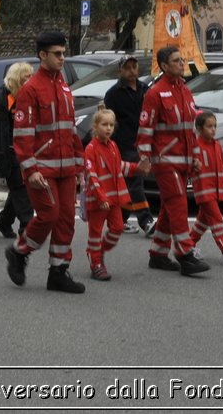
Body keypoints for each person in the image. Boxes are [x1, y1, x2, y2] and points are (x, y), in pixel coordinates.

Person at [5, 31, 86, 294]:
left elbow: (70, 130)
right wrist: (30, 168)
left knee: (66, 220)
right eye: (57, 54)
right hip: (42, 168)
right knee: (49, 215)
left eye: (64, 53)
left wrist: (79, 168)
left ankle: (58, 272)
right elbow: (23, 134)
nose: (63, 58)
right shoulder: (30, 89)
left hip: (65, 168)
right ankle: (19, 251)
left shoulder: (63, 86)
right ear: (43, 55)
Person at [138, 45, 210, 277]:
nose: (182, 63)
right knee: (178, 203)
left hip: (184, 160)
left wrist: (196, 157)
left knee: (170, 208)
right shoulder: (155, 93)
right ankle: (185, 254)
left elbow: (190, 129)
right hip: (165, 161)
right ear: (164, 66)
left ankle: (158, 254)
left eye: (182, 59)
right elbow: (145, 129)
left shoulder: (185, 91)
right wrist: (145, 158)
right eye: (177, 60)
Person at [81, 105, 140, 281]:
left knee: (117, 228)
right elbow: (92, 176)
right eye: (104, 124)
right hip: (98, 200)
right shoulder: (91, 149)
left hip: (113, 198)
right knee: (95, 233)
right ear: (95, 127)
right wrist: (101, 197)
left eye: (111, 125)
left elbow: (119, 167)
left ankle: (97, 252)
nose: (108, 128)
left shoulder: (113, 146)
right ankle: (96, 263)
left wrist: (138, 169)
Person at [102, 54, 155, 235]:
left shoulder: (145, 89)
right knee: (135, 182)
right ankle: (146, 221)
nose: (132, 71)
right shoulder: (113, 93)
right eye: (127, 67)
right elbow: (108, 120)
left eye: (134, 67)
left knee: (127, 184)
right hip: (123, 145)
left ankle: (120, 220)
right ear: (121, 70)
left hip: (143, 142)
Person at [189, 110, 223, 265]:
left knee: (203, 221)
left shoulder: (217, 146)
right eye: (209, 126)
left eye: (215, 126)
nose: (213, 129)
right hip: (204, 191)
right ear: (199, 128)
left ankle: (188, 245)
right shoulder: (196, 147)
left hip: (215, 190)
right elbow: (190, 167)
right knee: (216, 219)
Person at [0, 61, 35, 239]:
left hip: (29, 149)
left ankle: (4, 221)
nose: (31, 79)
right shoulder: (5, 99)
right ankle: (27, 226)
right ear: (17, 78)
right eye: (27, 76)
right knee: (22, 189)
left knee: (19, 189)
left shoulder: (30, 96)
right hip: (10, 151)